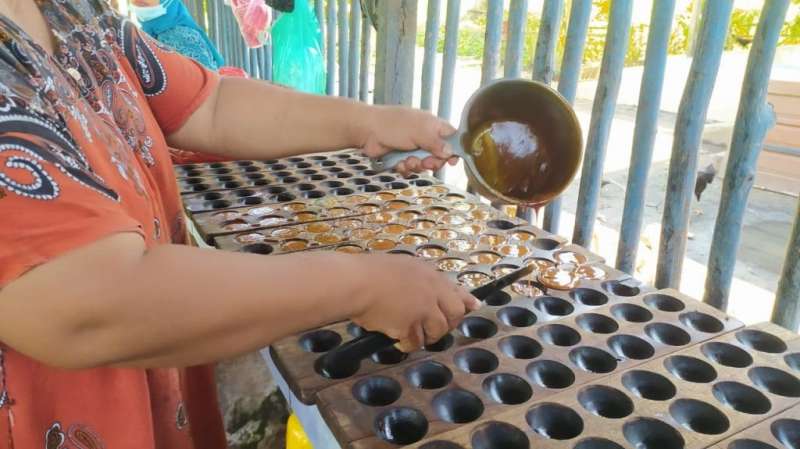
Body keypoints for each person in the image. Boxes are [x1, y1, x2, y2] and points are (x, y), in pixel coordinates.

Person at [0, 1, 475, 448]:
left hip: (157, 389)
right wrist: (362, 285)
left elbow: (208, 103)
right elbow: (91, 307)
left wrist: (368, 123)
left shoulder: (68, 9)